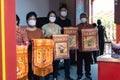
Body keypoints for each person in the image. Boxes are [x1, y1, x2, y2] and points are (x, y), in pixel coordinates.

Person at [55, 4, 74, 80]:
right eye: (62, 10)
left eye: (65, 11)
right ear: (59, 12)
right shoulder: (56, 20)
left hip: (67, 43)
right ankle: (55, 76)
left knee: (67, 61)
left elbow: (71, 32)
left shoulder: (68, 21)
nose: (64, 12)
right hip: (58, 43)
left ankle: (67, 76)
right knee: (56, 60)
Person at [41, 11, 62, 80]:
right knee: (47, 64)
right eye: (51, 16)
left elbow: (61, 38)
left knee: (56, 64)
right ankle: (46, 78)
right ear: (48, 17)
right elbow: (41, 38)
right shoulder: (44, 26)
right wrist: (47, 36)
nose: (52, 17)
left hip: (56, 49)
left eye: (53, 16)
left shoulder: (58, 27)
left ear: (55, 18)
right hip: (47, 49)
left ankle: (55, 77)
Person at [25, 11, 44, 80]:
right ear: (27, 20)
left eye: (34, 19)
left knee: (37, 76)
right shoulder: (24, 31)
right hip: (28, 57)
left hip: (38, 57)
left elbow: (43, 42)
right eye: (30, 19)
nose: (32, 20)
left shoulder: (39, 30)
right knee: (29, 74)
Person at [77, 12, 93, 80]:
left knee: (87, 62)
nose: (83, 18)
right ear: (80, 18)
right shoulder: (77, 26)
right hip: (80, 47)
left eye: (84, 17)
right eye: (81, 17)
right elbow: (74, 35)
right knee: (79, 62)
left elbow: (93, 36)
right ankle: (79, 74)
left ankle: (88, 74)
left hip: (88, 48)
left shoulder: (90, 26)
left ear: (87, 18)